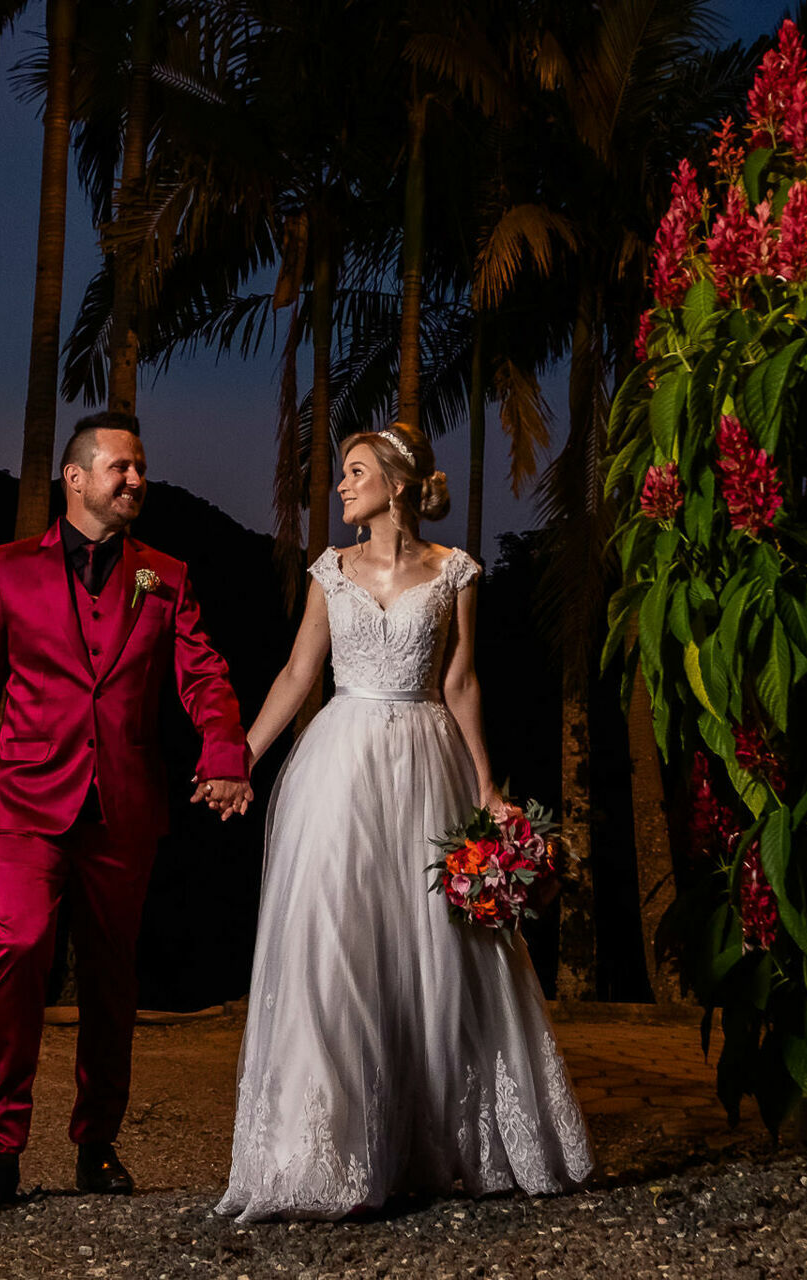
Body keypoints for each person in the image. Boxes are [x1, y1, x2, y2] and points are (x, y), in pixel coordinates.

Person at [215, 423, 592, 1221]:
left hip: (427, 761)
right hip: (340, 763)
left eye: (354, 472)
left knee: (436, 948)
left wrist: (488, 786)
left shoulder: (455, 572)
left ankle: (432, 1142)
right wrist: (240, 757)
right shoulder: (331, 571)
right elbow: (296, 672)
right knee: (333, 939)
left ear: (395, 479)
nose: (340, 487)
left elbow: (460, 682)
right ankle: (321, 1154)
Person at [0, 413, 253, 1211]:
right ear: (75, 479)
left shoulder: (165, 576)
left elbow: (203, 675)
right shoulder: (5, 570)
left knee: (112, 974)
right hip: (23, 801)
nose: (136, 479)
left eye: (141, 467)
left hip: (124, 805)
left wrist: (223, 749)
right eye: (121, 467)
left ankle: (97, 1144)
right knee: (22, 947)